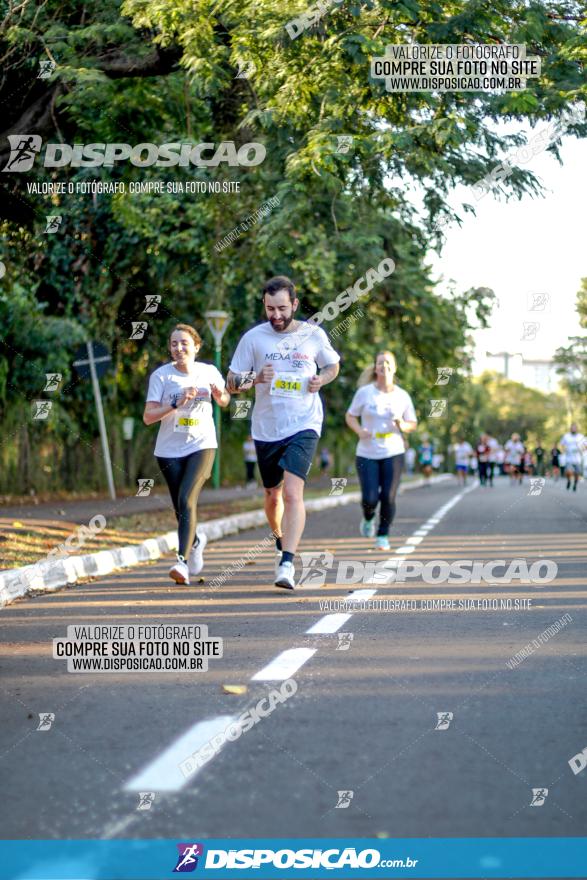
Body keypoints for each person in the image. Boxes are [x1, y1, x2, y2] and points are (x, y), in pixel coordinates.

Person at [227, 275, 340, 589]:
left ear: (295, 305)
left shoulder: (313, 335)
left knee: (292, 493)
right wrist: (256, 377)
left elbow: (332, 366)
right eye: (269, 309)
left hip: (304, 423)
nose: (275, 315)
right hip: (266, 428)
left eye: (281, 308)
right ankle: (279, 538)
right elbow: (231, 384)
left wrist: (322, 379)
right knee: (272, 494)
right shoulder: (253, 338)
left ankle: (287, 563)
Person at [143, 323, 230, 584]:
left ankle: (180, 562)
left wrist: (219, 395)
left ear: (196, 346)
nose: (179, 348)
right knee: (180, 507)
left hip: (202, 445)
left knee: (186, 497)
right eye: (174, 344)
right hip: (168, 449)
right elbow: (148, 417)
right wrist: (174, 403)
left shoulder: (209, 371)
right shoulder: (161, 376)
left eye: (184, 343)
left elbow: (225, 400)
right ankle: (196, 540)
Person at [345, 350, 417, 550]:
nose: (383, 366)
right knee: (369, 498)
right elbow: (350, 416)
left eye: (388, 363)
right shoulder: (365, 393)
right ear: (375, 368)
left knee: (388, 496)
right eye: (380, 363)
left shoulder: (402, 396)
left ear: (394, 368)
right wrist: (359, 430)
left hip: (393, 450)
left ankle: (383, 534)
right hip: (367, 452)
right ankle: (368, 519)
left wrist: (402, 425)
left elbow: (413, 422)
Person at [560, 422, 585, 491]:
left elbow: (585, 446)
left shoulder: (581, 437)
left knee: (577, 473)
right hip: (569, 458)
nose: (573, 429)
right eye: (572, 428)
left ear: (576, 429)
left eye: (575, 428)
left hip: (577, 459)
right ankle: (569, 481)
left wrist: (582, 450)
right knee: (568, 471)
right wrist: (563, 451)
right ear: (570, 429)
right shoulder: (566, 436)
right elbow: (562, 445)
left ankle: (575, 484)